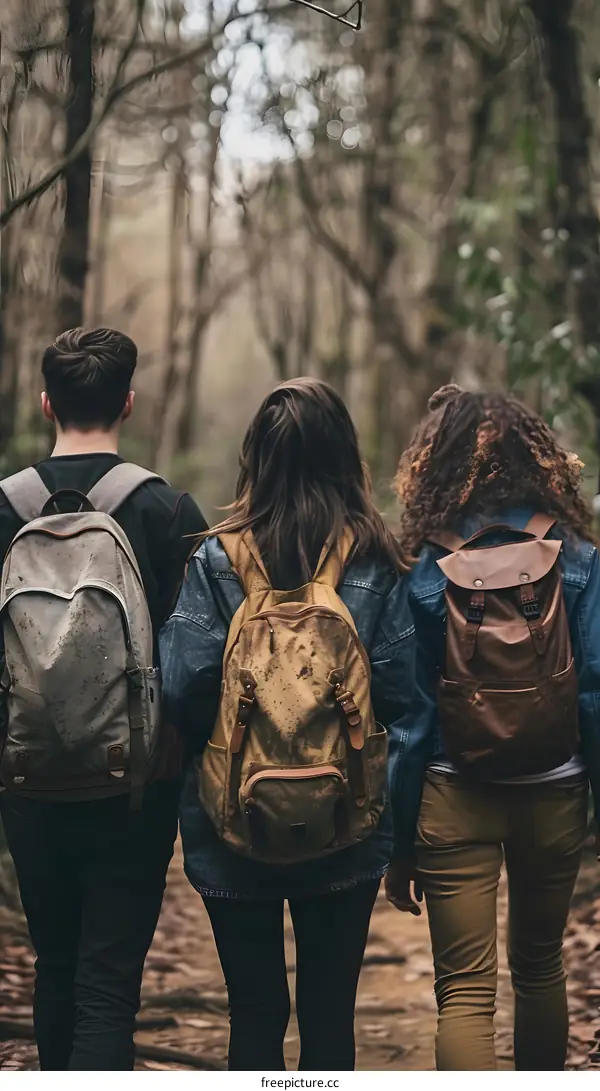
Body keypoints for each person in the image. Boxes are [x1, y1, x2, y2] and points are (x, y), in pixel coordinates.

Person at [160, 377, 414, 1071]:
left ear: (256, 458)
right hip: (346, 821)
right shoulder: (371, 554)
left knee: (256, 1010)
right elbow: (398, 687)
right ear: (343, 453)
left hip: (232, 820)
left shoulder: (218, 557)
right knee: (330, 1012)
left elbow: (181, 684)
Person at [0, 327, 207, 1071]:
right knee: (108, 980)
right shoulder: (166, 510)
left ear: (46, 401)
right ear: (127, 401)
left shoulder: (4, 508)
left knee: (52, 965)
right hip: (134, 784)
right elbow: (197, 656)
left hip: (26, 778)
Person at [386, 384, 600, 1071]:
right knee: (540, 968)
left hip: (455, 793)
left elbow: (412, 719)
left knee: (465, 992)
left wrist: (398, 840)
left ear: (435, 464)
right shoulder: (578, 558)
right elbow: (594, 693)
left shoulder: (422, 566)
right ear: (538, 460)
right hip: (555, 792)